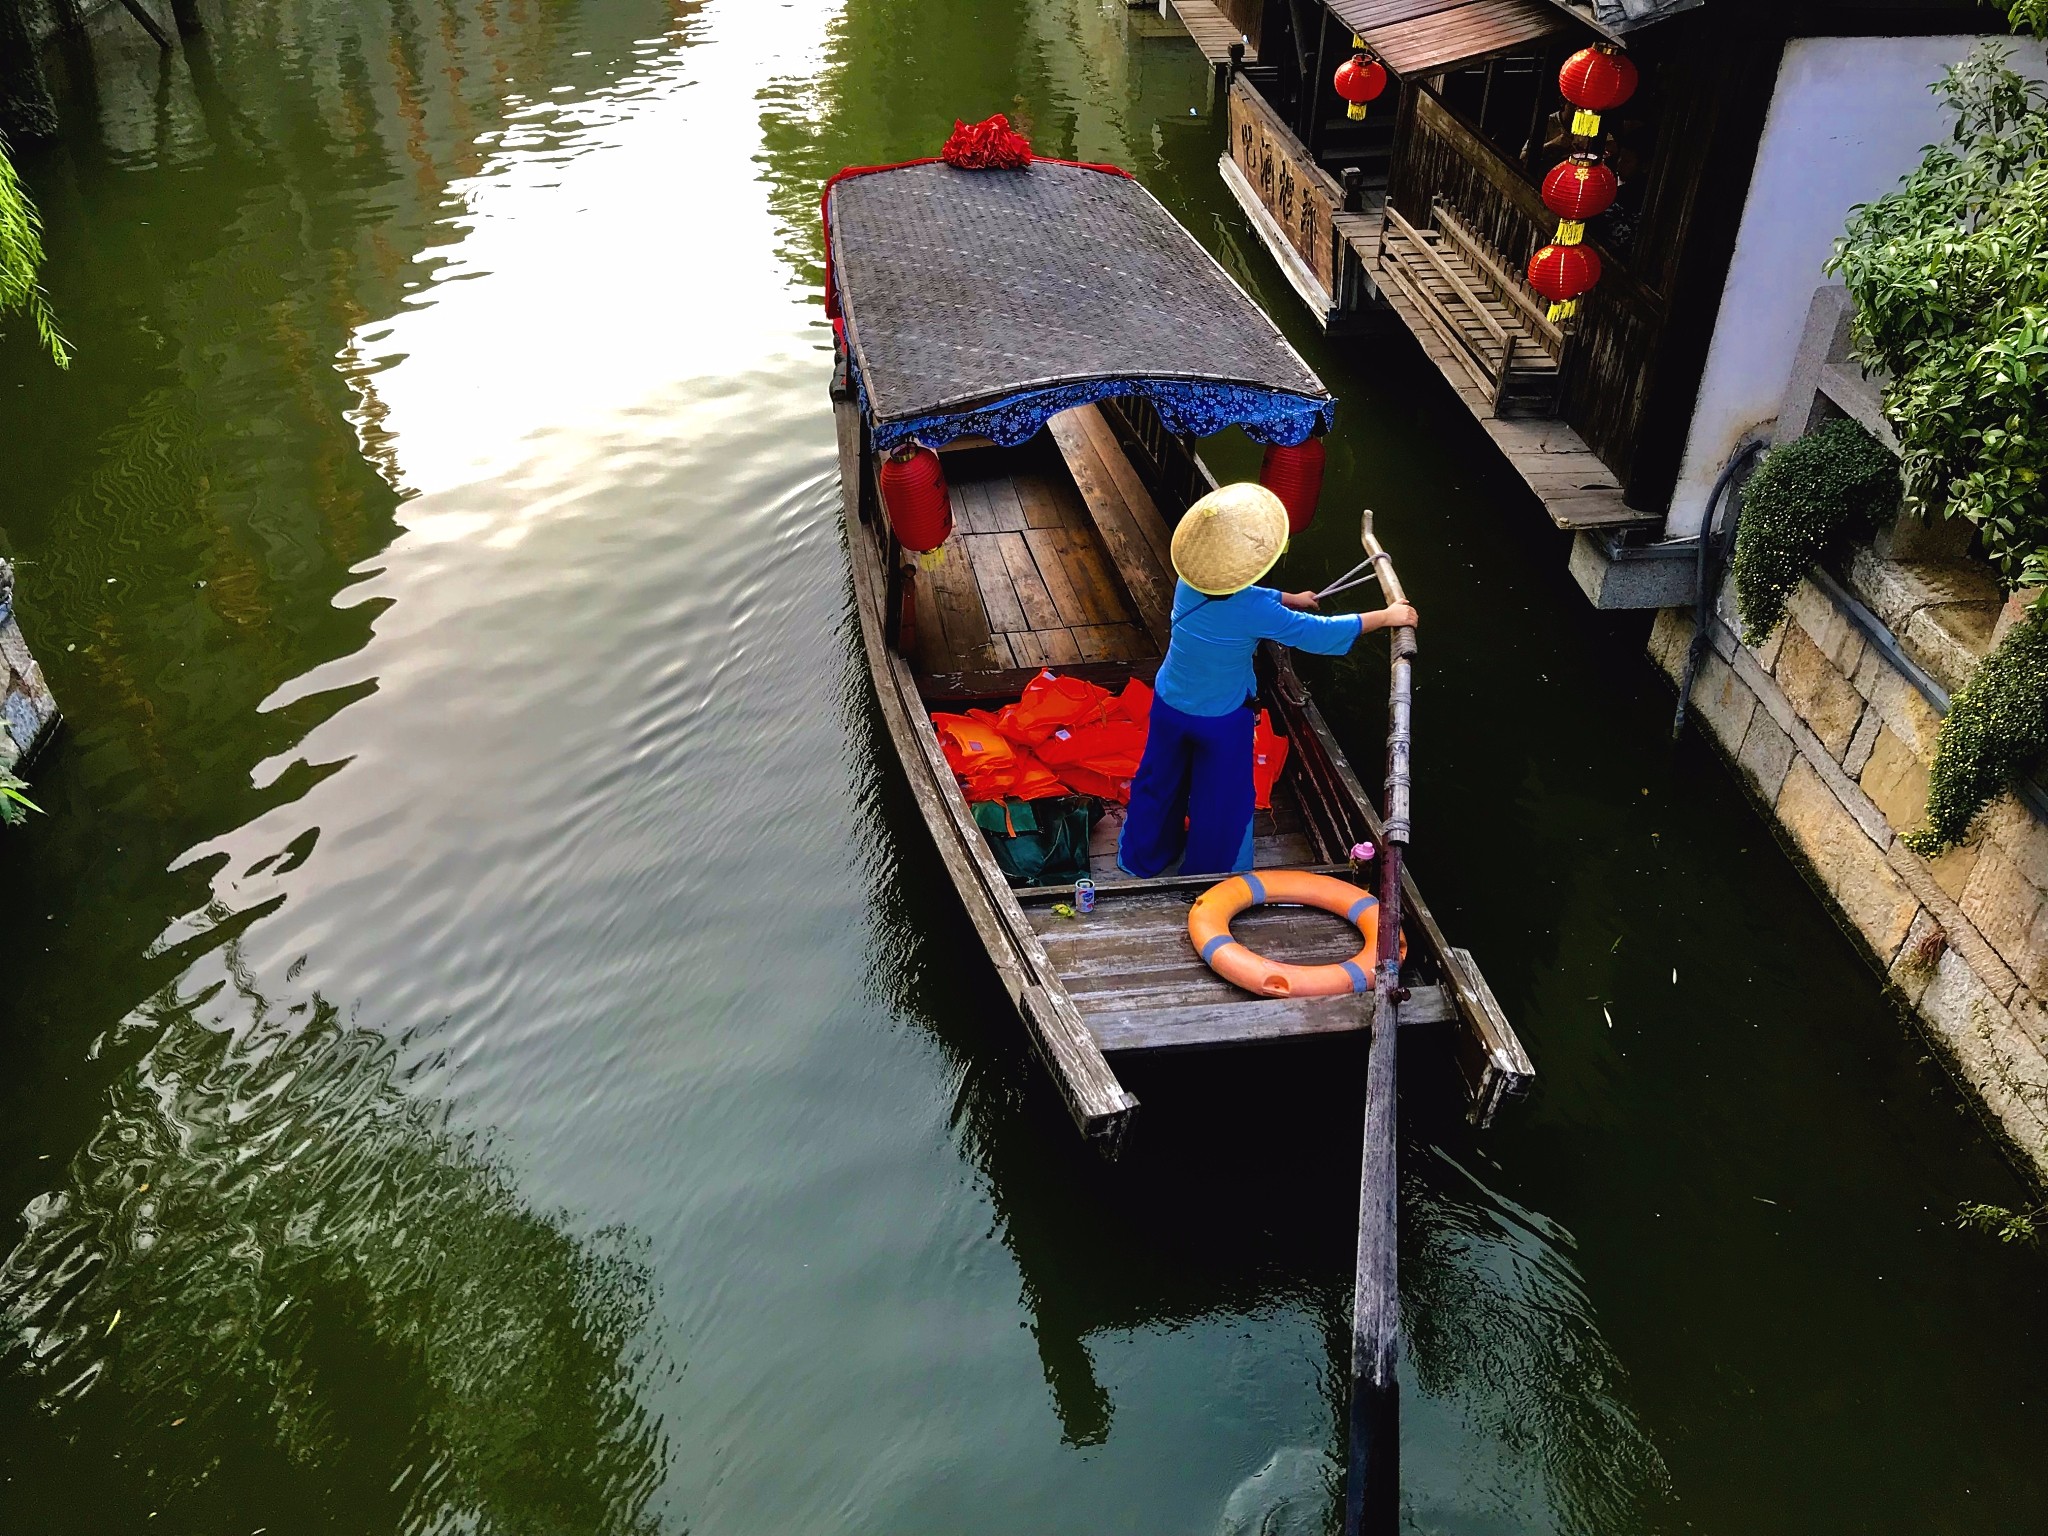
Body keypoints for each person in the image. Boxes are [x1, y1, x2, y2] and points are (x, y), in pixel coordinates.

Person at [1118, 482, 1417, 879]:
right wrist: (1386, 616)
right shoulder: (1257, 610)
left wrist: (1287, 597)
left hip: (1170, 702)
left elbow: (1233, 594)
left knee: (1158, 781)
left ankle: (1141, 859)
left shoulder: (1189, 583)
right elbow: (1320, 634)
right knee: (1221, 802)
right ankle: (1211, 875)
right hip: (1220, 719)